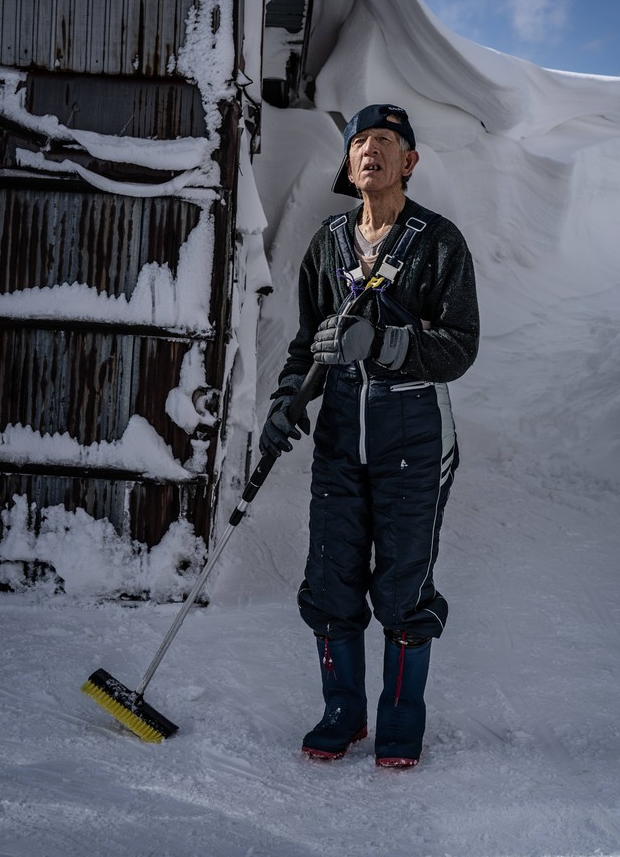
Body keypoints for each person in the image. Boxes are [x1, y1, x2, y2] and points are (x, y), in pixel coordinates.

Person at [259, 103, 479, 769]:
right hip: (339, 437)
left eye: (385, 140)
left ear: (409, 161)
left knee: (404, 585)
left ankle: (401, 719)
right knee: (330, 578)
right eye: (360, 142)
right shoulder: (328, 243)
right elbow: (308, 346)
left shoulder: (438, 242)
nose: (370, 150)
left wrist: (385, 342)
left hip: (413, 435)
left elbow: (460, 345)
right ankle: (343, 711)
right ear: (348, 162)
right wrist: (286, 402)